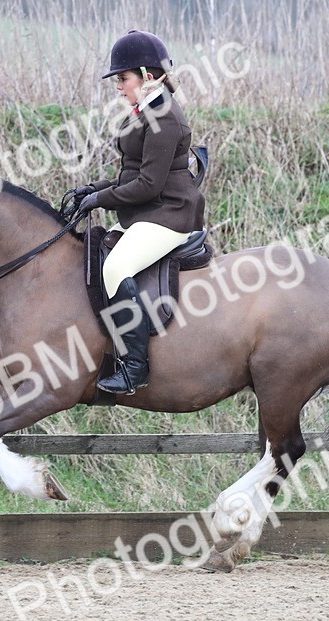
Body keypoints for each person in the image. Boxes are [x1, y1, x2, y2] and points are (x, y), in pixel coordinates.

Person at [75, 29, 206, 395]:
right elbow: (132, 173)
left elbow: (147, 185)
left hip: (170, 215)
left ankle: (136, 368)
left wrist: (101, 201)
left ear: (148, 76)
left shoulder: (164, 117)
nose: (118, 86)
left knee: (116, 267)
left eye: (123, 78)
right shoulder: (146, 110)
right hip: (153, 210)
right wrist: (93, 189)